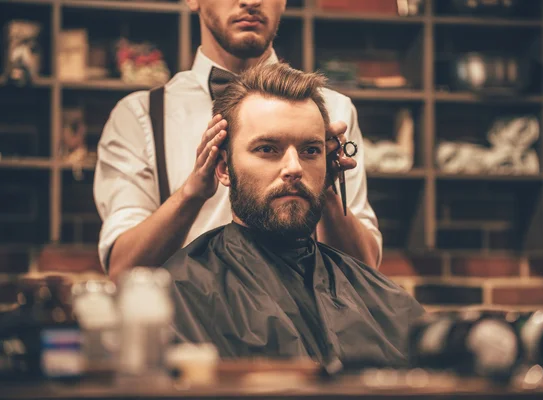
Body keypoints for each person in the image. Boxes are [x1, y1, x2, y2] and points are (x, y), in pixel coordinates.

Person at [94, 0, 383, 281]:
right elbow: (123, 271)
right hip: (185, 324)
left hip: (304, 324)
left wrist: (325, 190)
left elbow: (365, 275)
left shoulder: (334, 110)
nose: (251, 2)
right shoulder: (141, 115)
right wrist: (191, 194)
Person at [165, 62, 424, 369]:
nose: (294, 168)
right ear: (223, 169)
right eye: (267, 149)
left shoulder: (382, 299)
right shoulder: (183, 292)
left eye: (310, 151)